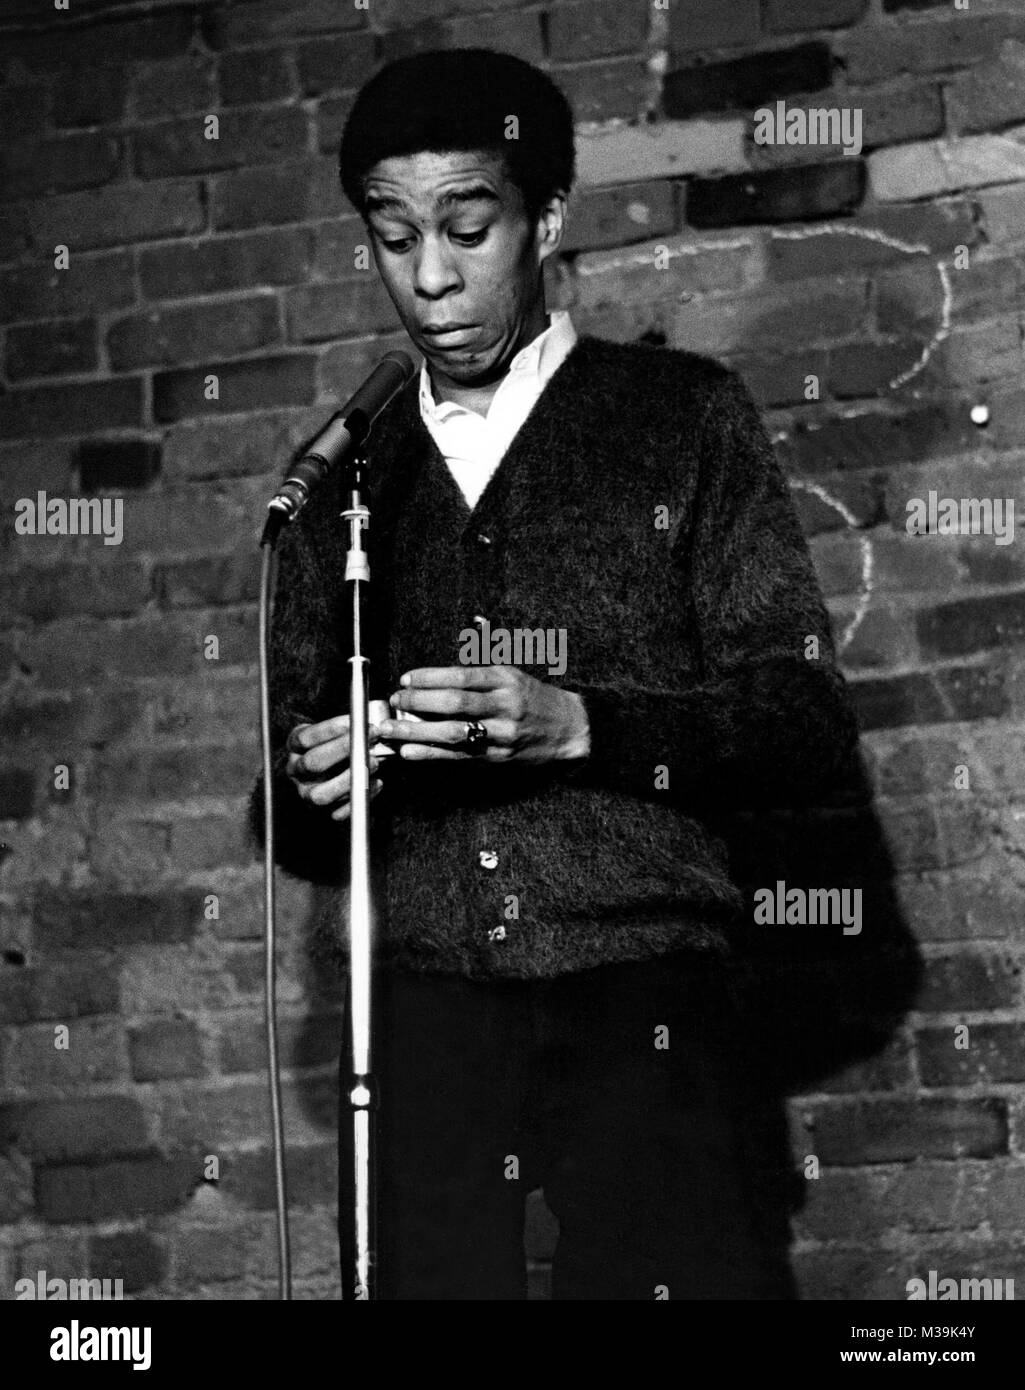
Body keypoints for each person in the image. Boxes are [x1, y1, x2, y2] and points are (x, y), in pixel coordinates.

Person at [251, 47, 860, 1300]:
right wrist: (330, 773)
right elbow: (292, 818)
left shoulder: (678, 416)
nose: (428, 278)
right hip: (419, 1020)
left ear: (546, 219)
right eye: (391, 237)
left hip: (647, 1000)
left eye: (469, 229)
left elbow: (799, 720)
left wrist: (583, 725)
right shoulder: (338, 481)